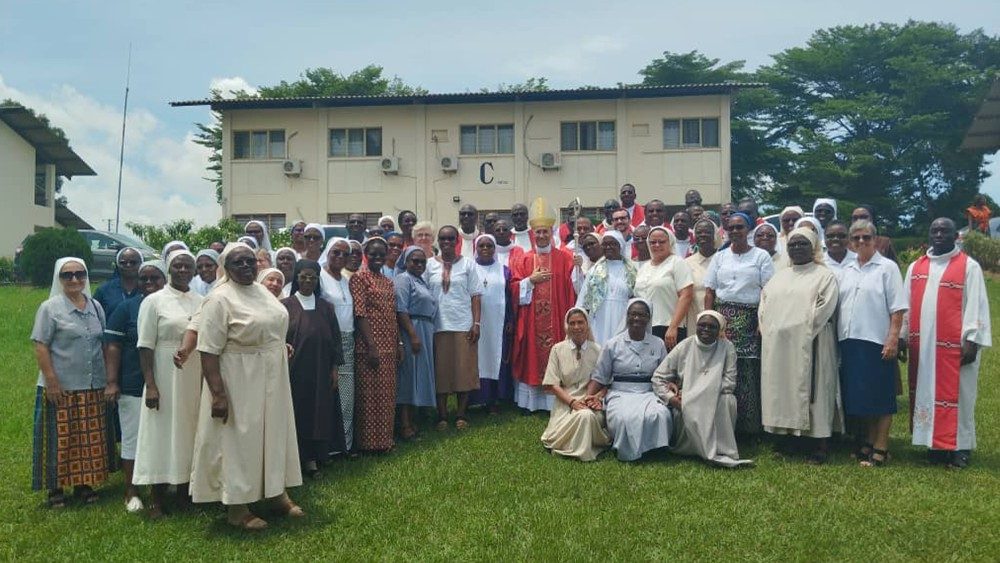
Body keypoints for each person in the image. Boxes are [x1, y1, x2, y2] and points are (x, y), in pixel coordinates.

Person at [190, 243, 302, 529]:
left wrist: (279, 346)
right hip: (238, 377)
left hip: (272, 377)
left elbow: (271, 326)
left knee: (273, 434)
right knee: (239, 440)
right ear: (226, 268)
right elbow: (208, 351)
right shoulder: (219, 299)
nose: (246, 267)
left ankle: (276, 492)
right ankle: (237, 507)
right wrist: (218, 394)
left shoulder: (262, 291)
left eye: (250, 261)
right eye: (238, 263)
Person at [904, 218, 991, 469]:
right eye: (935, 230)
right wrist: (902, 336)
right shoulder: (916, 267)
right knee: (927, 391)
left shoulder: (968, 267)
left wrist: (972, 340)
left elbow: (977, 304)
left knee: (960, 395)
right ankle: (936, 444)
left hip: (956, 346)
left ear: (956, 236)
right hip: (924, 346)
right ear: (929, 235)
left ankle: (961, 447)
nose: (939, 234)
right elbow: (907, 305)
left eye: (945, 231)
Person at [32, 257, 116, 508]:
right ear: (59, 279)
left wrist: (108, 380)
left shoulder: (95, 306)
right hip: (62, 384)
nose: (75, 279)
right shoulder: (50, 308)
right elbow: (40, 345)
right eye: (67, 275)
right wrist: (51, 381)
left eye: (80, 274)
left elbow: (103, 343)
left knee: (87, 437)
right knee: (60, 438)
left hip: (92, 384)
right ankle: (55, 489)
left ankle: (83, 483)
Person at [759, 229, 842, 463]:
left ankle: (819, 444)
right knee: (783, 389)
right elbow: (763, 307)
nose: (796, 248)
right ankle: (790, 439)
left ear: (814, 246)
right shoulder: (779, 277)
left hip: (812, 342)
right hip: (779, 345)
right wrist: (771, 329)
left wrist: (797, 330)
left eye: (802, 244)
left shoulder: (824, 276)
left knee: (815, 392)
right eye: (792, 245)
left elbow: (824, 308)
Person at [131, 252, 202, 516]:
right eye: (177, 265)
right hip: (162, 372)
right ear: (169, 270)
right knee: (160, 432)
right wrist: (151, 384)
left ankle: (184, 493)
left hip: (193, 374)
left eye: (188, 266)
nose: (183, 269)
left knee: (188, 431)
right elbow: (145, 345)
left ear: (194, 272)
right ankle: (156, 498)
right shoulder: (153, 301)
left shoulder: (202, 301)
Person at [837, 220, 907, 468]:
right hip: (850, 340)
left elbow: (898, 309)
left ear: (875, 240)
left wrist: (892, 338)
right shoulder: (847, 270)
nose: (861, 242)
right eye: (855, 238)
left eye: (866, 237)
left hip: (877, 340)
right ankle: (867, 440)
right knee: (862, 397)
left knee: (881, 396)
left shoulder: (887, 268)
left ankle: (881, 447)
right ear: (850, 242)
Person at [104, 259, 166, 514]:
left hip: (169, 384)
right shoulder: (126, 308)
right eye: (144, 278)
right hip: (132, 383)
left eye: (155, 278)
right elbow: (113, 346)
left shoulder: (171, 305)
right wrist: (111, 382)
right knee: (133, 438)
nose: (149, 283)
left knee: (160, 439)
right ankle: (131, 490)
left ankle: (158, 491)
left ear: (165, 279)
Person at [704, 212, 774, 436]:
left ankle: (749, 429)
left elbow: (768, 291)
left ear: (749, 230)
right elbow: (710, 292)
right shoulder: (720, 257)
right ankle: (722, 425)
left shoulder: (761, 256)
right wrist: (709, 319)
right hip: (722, 319)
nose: (735, 231)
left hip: (750, 319)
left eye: (740, 227)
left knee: (746, 372)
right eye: (731, 228)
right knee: (721, 369)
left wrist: (762, 320)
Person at [652, 310, 751, 467]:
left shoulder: (727, 347)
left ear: (719, 330)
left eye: (711, 327)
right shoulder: (684, 346)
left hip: (713, 395)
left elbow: (730, 382)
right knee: (690, 402)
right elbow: (658, 377)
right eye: (702, 325)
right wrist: (671, 398)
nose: (705, 329)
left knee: (728, 399)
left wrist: (702, 392)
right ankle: (692, 448)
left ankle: (721, 449)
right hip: (687, 399)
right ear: (696, 326)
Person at [509, 198, 577, 412]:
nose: (541, 236)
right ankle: (532, 402)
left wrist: (578, 268)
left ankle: (554, 400)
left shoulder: (565, 258)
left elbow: (574, 287)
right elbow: (513, 287)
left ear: (551, 232)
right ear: (532, 234)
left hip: (556, 320)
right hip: (531, 321)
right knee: (532, 356)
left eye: (545, 232)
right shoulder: (524, 259)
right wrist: (530, 281)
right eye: (537, 232)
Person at [282, 259, 346, 477]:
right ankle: (302, 459)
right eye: (303, 276)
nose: (308, 280)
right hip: (295, 371)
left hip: (321, 369)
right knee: (301, 413)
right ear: (296, 278)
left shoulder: (326, 307)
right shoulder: (285, 306)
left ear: (318, 280)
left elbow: (336, 341)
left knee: (321, 412)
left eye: (312, 277)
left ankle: (319, 455)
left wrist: (334, 369)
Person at [586, 299, 672, 461]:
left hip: (648, 392)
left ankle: (654, 449)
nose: (637, 319)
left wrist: (671, 383)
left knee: (660, 414)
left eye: (641, 315)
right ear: (627, 317)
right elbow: (600, 376)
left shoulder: (657, 343)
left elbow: (664, 374)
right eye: (633, 314)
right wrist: (587, 397)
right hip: (620, 392)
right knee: (624, 417)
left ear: (648, 318)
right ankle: (627, 450)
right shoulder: (612, 344)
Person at [426, 226, 482, 429]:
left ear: (457, 240)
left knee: (463, 370)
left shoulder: (468, 264)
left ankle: (461, 414)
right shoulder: (428, 264)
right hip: (437, 325)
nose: (447, 242)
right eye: (443, 238)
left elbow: (476, 295)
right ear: (438, 241)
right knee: (440, 372)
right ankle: (441, 415)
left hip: (463, 325)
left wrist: (476, 323)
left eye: (451, 238)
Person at [350, 237, 401, 451]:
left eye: (382, 254)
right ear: (366, 255)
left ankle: (385, 441)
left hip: (389, 346)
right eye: (373, 254)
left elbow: (392, 314)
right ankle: (368, 444)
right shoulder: (359, 278)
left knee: (386, 397)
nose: (378, 258)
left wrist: (399, 343)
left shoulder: (388, 281)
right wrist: (371, 346)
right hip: (368, 347)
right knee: (369, 397)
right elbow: (360, 313)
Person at [540, 308, 610, 461]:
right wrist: (572, 402)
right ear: (567, 326)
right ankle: (581, 449)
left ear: (587, 325)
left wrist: (597, 397)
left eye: (580, 322)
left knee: (586, 415)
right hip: (565, 403)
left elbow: (605, 383)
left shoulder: (598, 350)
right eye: (572, 323)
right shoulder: (557, 350)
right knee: (584, 416)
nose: (576, 327)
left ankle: (572, 446)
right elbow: (552, 384)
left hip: (589, 402)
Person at [394, 247, 437, 439]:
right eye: (414, 261)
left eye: (422, 262)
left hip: (425, 329)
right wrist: (412, 335)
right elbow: (401, 308)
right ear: (406, 261)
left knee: (418, 376)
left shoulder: (421, 280)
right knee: (409, 377)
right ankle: (404, 425)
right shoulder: (403, 279)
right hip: (412, 328)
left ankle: (412, 420)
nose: (419, 264)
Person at [318, 238, 357, 451]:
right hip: (327, 341)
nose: (340, 257)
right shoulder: (320, 277)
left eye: (344, 254)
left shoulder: (345, 279)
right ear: (328, 252)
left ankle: (345, 445)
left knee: (346, 393)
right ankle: (326, 445)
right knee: (327, 392)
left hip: (348, 340)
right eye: (335, 253)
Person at [471, 234, 515, 413]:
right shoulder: (470, 268)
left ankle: (494, 400)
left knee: (496, 357)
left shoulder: (504, 270)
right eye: (481, 246)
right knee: (477, 359)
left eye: (489, 246)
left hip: (498, 322)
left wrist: (510, 319)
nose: (486, 249)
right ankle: (475, 398)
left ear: (495, 248)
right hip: (476, 322)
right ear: (476, 248)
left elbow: (509, 296)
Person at [635, 226, 694, 350]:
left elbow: (686, 296)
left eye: (661, 242)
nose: (657, 245)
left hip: (668, 329)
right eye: (652, 242)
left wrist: (673, 327)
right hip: (645, 328)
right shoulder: (644, 267)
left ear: (670, 242)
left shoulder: (677, 263)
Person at [576, 231, 636, 344]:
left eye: (612, 243)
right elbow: (583, 300)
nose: (608, 247)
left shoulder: (632, 270)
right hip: (599, 318)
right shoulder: (594, 270)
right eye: (605, 244)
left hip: (622, 317)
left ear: (620, 246)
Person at [684, 218, 719, 332]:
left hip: (721, 319)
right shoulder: (686, 263)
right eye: (699, 232)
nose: (703, 235)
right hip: (694, 320)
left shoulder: (724, 260)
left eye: (707, 232)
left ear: (715, 235)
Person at [95, 247, 142, 318]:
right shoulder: (104, 290)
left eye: (133, 262)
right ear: (117, 265)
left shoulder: (147, 287)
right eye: (123, 263)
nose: (128, 265)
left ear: (141, 264)